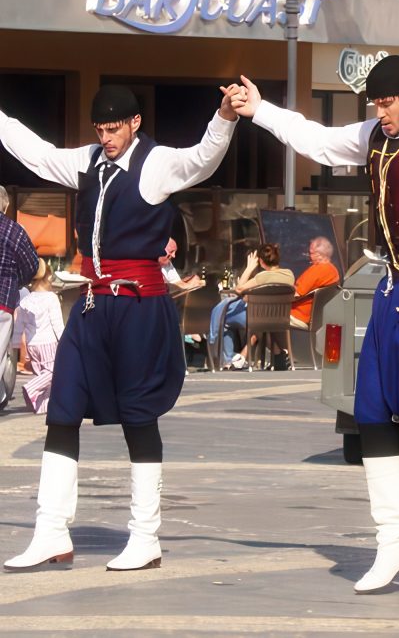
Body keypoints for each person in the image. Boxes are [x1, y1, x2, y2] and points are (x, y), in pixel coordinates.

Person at [229, 56, 399, 596]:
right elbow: (318, 140)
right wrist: (260, 111)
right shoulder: (375, 134)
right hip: (395, 287)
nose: (381, 111)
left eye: (388, 102)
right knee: (369, 412)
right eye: (375, 103)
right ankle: (396, 539)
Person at [0, 83, 239, 572]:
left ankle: (145, 536)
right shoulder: (88, 160)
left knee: (138, 415)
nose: (106, 138)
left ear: (134, 123)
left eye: (114, 129)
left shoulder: (156, 163)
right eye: (100, 129)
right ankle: (50, 532)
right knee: (62, 409)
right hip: (92, 304)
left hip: (139, 306)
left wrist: (224, 118)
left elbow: (202, 160)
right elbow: (36, 152)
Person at [208, 242, 295, 370]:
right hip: (281, 317)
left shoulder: (261, 277)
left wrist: (249, 268)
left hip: (258, 317)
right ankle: (278, 354)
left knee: (224, 319)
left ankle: (228, 360)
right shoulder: (289, 274)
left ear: (261, 261)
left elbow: (239, 289)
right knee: (261, 323)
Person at [0, 185, 41, 407]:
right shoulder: (14, 231)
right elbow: (32, 264)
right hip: (2, 300)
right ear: (5, 206)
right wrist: (19, 281)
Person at [12, 259, 63, 414]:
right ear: (48, 277)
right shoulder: (51, 298)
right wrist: (65, 341)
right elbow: (57, 324)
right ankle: (31, 388)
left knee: (44, 376)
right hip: (48, 342)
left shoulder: (26, 300)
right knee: (54, 372)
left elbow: (18, 326)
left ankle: (42, 406)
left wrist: (15, 346)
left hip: (32, 345)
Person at [289, 236, 340, 329]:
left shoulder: (318, 270)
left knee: (265, 315)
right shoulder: (333, 271)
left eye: (311, 253)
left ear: (318, 254)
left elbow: (296, 294)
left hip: (297, 316)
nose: (309, 256)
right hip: (313, 317)